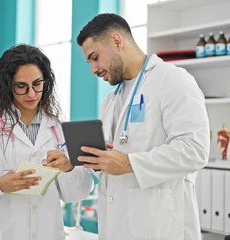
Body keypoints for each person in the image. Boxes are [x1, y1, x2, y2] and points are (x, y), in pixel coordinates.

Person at [76, 13, 210, 239]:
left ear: (117, 41)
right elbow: (114, 163)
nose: (93, 69)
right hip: (117, 226)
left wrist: (129, 163)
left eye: (95, 57)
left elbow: (194, 150)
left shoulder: (173, 80)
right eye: (89, 62)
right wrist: (95, 161)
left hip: (161, 227)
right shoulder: (110, 100)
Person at [0, 44, 93, 240]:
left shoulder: (58, 129)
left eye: (37, 84)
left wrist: (68, 168)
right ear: (7, 85)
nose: (31, 94)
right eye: (21, 86)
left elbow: (78, 193)